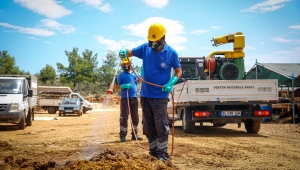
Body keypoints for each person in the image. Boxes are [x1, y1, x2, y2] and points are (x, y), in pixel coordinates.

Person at [119, 22, 182, 163]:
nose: (153, 44)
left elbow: (178, 71)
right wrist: (124, 50)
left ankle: (162, 154)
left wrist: (171, 83)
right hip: (145, 95)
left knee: (161, 125)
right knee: (148, 125)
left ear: (163, 38)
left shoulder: (171, 53)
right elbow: (130, 52)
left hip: (160, 96)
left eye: (156, 41)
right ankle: (153, 152)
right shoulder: (145, 49)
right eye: (151, 41)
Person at [117, 57, 143, 142]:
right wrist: (123, 86)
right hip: (125, 99)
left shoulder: (135, 74)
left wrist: (142, 73)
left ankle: (134, 134)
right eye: (124, 64)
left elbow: (141, 80)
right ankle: (123, 135)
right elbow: (117, 87)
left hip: (134, 98)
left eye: (127, 63)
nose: (125, 65)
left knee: (135, 117)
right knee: (124, 117)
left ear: (130, 64)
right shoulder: (120, 75)